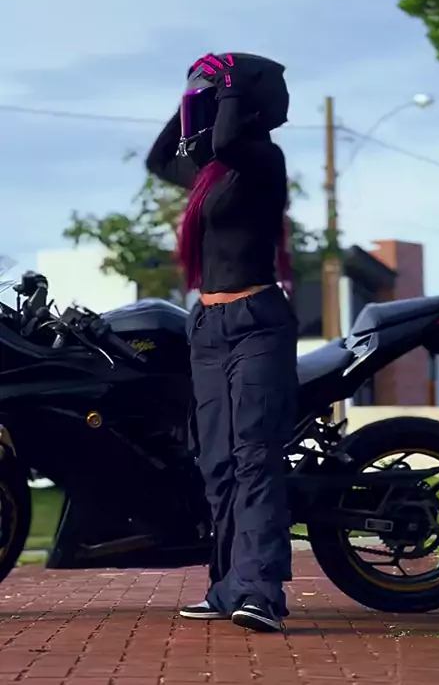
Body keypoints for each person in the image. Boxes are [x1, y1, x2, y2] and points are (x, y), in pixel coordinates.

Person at [146, 53, 298, 633]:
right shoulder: (210, 172)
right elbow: (161, 157)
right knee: (217, 461)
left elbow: (230, 138)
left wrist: (229, 81)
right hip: (209, 329)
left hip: (257, 323)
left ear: (244, 105)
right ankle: (228, 585)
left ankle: (261, 592)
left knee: (254, 456)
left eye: (218, 99)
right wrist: (190, 96)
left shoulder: (261, 159)